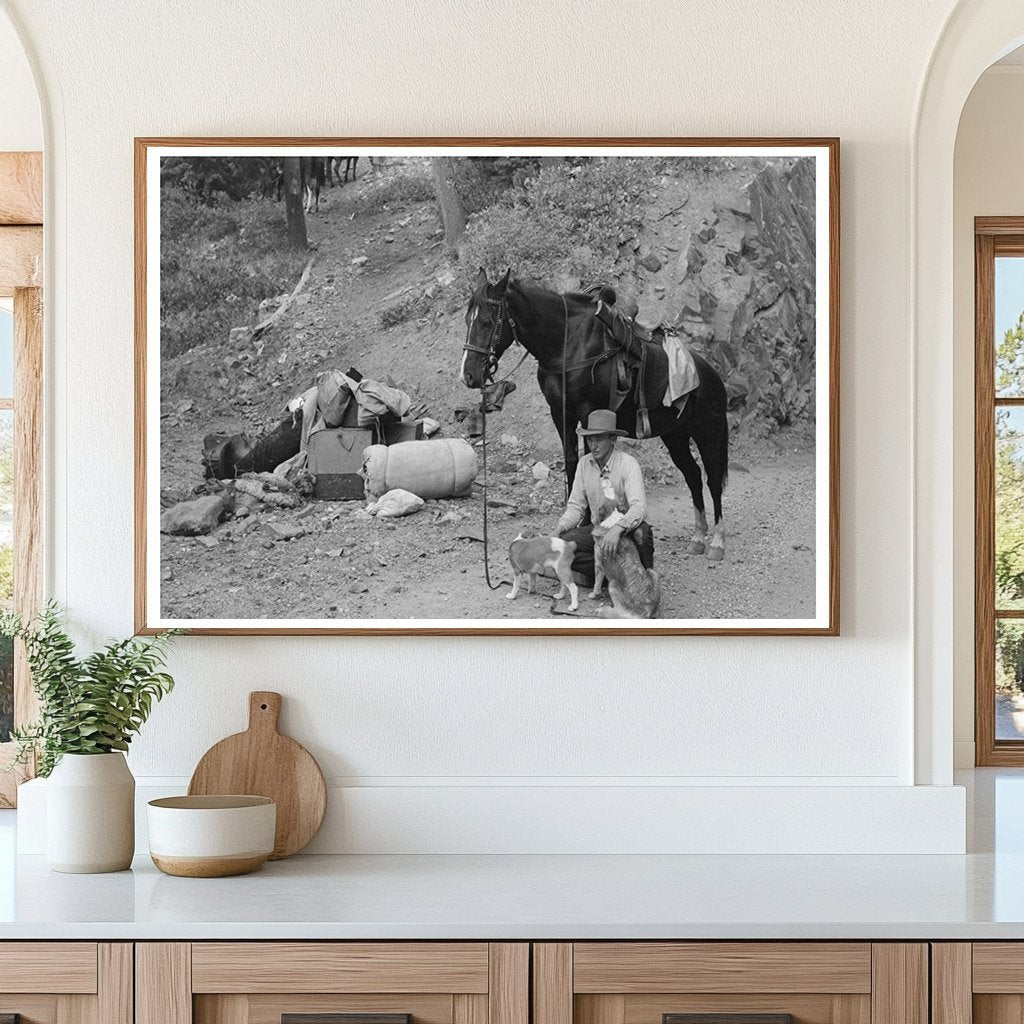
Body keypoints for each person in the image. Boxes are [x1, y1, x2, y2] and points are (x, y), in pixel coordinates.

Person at [555, 409, 655, 584]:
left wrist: (618, 529)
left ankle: (643, 582)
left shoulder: (628, 464)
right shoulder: (584, 464)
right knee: (565, 543)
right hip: (599, 529)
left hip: (626, 528)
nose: (593, 446)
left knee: (643, 534)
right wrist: (559, 529)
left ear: (613, 440)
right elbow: (576, 507)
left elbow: (639, 507)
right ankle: (612, 578)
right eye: (590, 439)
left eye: (599, 440)